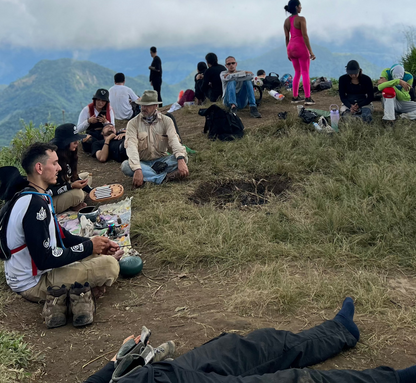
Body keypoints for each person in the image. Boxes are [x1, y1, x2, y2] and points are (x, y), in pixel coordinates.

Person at [84, 297, 415, 383]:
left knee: (243, 347)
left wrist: (110, 366)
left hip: (153, 376)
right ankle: (393, 380)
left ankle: (340, 331)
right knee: (290, 381)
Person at [0, 142, 120, 328]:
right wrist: (89, 247)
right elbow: (44, 260)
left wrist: (95, 244)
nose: (59, 167)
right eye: (54, 163)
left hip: (38, 271)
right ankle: (75, 295)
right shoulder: (34, 205)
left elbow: (61, 235)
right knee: (109, 265)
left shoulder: (37, 195)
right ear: (39, 168)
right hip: (32, 282)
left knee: (97, 254)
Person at [121, 90, 189, 186]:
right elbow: (131, 147)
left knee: (183, 158)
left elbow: (174, 141)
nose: (143, 108)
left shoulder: (167, 121)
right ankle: (164, 178)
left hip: (162, 161)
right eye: (142, 105)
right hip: (142, 162)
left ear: (155, 106)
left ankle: (149, 177)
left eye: (147, 105)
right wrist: (137, 168)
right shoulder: (132, 123)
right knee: (126, 166)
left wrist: (181, 159)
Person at [49, 123, 92, 213]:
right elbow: (49, 191)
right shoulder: (54, 160)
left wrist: (92, 191)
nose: (77, 143)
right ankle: (77, 201)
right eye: (74, 141)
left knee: (87, 176)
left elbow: (73, 176)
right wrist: (71, 186)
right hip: (52, 199)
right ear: (65, 143)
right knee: (78, 193)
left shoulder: (69, 153)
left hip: (65, 186)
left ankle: (77, 201)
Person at [284, 0, 316, 105]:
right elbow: (305, 36)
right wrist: (311, 52)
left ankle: (295, 97)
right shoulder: (301, 19)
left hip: (291, 48)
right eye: (300, 6)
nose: (301, 7)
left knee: (297, 72)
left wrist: (287, 52)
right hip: (300, 47)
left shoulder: (286, 21)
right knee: (305, 72)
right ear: (297, 7)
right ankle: (308, 98)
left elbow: (287, 38)